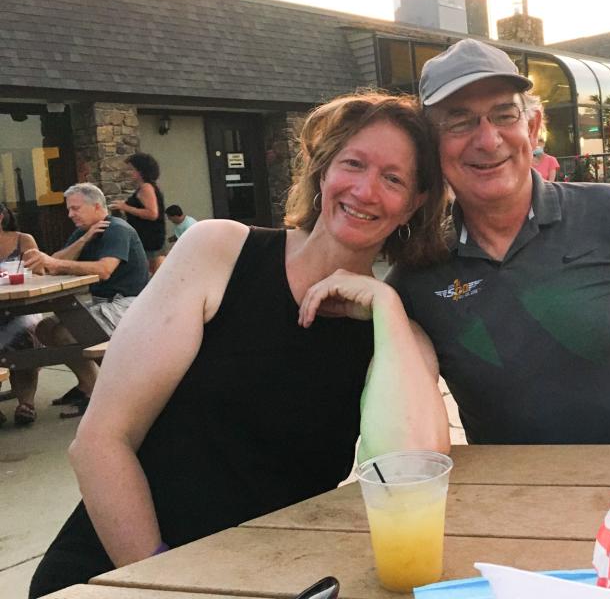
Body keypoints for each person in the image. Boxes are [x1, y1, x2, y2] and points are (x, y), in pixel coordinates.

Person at [29, 92, 451, 597]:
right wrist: (166, 580)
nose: (364, 190)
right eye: (353, 164)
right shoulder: (220, 253)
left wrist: (385, 308)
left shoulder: (398, 334)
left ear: (415, 202)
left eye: (393, 178)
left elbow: (415, 475)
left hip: (265, 580)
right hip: (121, 571)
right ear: (323, 172)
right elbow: (99, 443)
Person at [388, 39, 610, 459]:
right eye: (459, 122)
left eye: (504, 115)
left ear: (533, 128)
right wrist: (373, 297)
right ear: (431, 146)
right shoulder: (419, 271)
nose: (487, 139)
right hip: (514, 507)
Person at [20, 183, 150, 417]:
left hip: (129, 304)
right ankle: (88, 385)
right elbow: (53, 265)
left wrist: (55, 263)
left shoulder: (117, 229)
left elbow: (104, 269)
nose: (70, 214)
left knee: (66, 331)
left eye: (75, 208)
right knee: (45, 327)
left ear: (97, 206)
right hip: (102, 303)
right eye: (69, 209)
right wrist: (83, 240)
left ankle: (102, 392)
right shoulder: (85, 231)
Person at [0, 203, 45, 427]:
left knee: (25, 334)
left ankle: (26, 403)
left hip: (23, 308)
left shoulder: (23, 240)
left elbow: (39, 271)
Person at [109, 153, 166, 274]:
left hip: (149, 238)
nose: (129, 173)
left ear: (140, 171)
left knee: (150, 272)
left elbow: (152, 213)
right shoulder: (148, 187)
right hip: (150, 237)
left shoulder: (146, 187)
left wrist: (125, 207)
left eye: (131, 169)